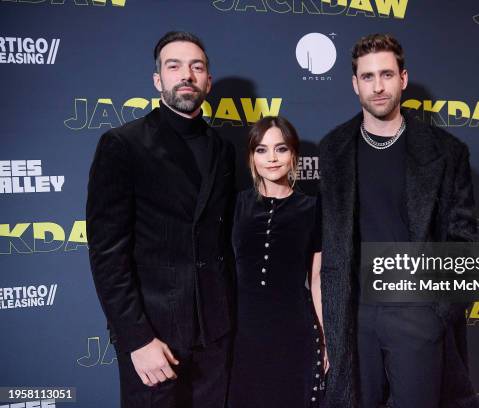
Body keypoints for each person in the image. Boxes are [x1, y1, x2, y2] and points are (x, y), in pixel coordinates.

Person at [318, 34, 479, 408]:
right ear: (354, 83)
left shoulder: (446, 151)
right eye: (368, 76)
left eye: (387, 75)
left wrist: (438, 311)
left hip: (417, 312)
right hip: (354, 315)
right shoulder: (333, 149)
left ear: (403, 79)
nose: (378, 86)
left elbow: (463, 240)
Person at [86, 31, 235, 408]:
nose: (186, 74)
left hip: (215, 334)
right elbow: (107, 254)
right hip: (154, 338)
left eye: (196, 67)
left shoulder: (223, 149)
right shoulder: (124, 145)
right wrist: (136, 338)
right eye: (174, 66)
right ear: (158, 80)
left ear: (207, 81)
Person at [228, 116, 326, 408]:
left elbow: (318, 277)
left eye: (280, 149)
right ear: (251, 157)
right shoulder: (235, 205)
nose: (271, 158)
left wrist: (326, 338)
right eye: (261, 149)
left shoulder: (313, 209)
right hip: (242, 333)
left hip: (294, 331)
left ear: (294, 154)